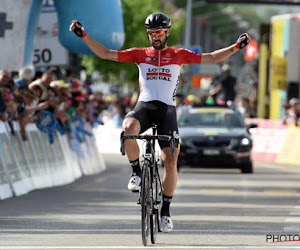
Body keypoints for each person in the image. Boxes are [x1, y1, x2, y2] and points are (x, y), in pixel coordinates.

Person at [69, 12, 251, 233]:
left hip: (167, 112)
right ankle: (136, 172)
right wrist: (83, 35)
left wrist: (236, 47)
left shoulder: (178, 54)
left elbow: (211, 57)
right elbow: (106, 53)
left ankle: (165, 211)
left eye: (159, 32)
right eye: (151, 33)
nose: (154, 37)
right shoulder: (139, 54)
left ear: (167, 33)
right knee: (128, 129)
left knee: (170, 160)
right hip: (144, 107)